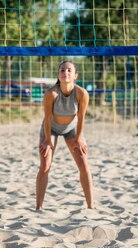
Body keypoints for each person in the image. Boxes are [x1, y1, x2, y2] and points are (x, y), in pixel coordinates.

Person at [35, 60, 94, 210]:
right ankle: (38, 207)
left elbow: (81, 118)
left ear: (75, 76)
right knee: (45, 165)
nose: (65, 73)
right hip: (51, 129)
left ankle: (91, 207)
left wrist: (79, 137)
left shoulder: (82, 93)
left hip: (71, 129)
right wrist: (48, 140)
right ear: (58, 74)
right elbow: (48, 118)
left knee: (84, 164)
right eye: (62, 70)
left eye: (69, 70)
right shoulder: (51, 94)